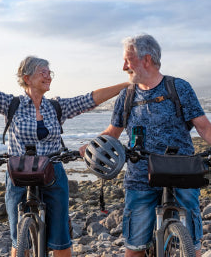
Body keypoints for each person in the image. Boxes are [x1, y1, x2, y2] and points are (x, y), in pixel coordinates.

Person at [0, 56, 130, 257]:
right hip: (18, 174)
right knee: (19, 239)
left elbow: (90, 99)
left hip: (52, 172)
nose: (48, 76)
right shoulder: (11, 104)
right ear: (27, 78)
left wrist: (127, 84)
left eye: (49, 72)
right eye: (42, 72)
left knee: (61, 238)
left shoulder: (56, 107)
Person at [80, 34, 211, 257]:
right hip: (140, 176)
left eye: (127, 60)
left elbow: (204, 127)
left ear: (146, 59)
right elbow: (113, 131)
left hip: (181, 172)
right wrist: (92, 146)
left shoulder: (178, 88)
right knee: (134, 249)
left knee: (192, 247)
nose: (123, 67)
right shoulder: (127, 95)